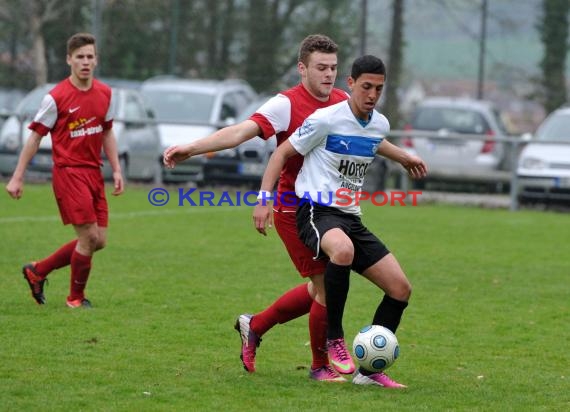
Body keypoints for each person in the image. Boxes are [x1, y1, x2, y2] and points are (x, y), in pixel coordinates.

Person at [163, 34, 348, 381]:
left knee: (321, 288)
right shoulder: (285, 104)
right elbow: (239, 132)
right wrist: (192, 148)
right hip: (293, 210)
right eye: (321, 67)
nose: (329, 75)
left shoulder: (342, 102)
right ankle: (320, 367)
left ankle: (256, 324)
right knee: (326, 286)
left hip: (329, 210)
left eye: (334, 68)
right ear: (302, 68)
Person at [253, 55, 428, 388]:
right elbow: (281, 153)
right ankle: (335, 338)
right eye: (366, 87)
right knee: (342, 251)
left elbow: (375, 143)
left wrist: (405, 156)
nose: (372, 94)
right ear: (350, 84)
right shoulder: (325, 119)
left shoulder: (379, 124)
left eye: (378, 88)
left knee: (400, 288)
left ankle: (369, 371)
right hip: (315, 211)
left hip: (350, 216)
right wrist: (265, 198)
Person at [5, 32, 124, 308]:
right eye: (79, 57)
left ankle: (38, 270)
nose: (85, 62)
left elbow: (107, 132)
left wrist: (116, 169)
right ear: (68, 60)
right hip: (69, 173)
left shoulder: (105, 94)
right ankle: (75, 299)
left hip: (94, 172)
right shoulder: (56, 97)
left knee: (99, 240)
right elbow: (34, 138)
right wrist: (17, 176)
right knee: (88, 237)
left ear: (96, 60)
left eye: (90, 57)